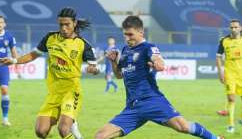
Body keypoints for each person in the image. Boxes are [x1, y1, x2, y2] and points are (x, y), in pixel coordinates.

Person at [95, 16, 224, 139]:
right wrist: (113, 62)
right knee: (101, 136)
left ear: (141, 32)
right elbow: (119, 76)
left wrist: (158, 63)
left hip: (152, 101)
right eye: (125, 34)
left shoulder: (148, 47)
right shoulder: (124, 50)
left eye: (131, 34)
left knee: (183, 127)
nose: (127, 38)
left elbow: (158, 59)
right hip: (132, 106)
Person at [0, 7, 99, 139]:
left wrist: (93, 69)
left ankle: (70, 122)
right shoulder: (50, 38)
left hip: (71, 91)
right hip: (54, 93)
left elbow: (94, 68)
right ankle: (71, 121)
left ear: (74, 23)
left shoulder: (83, 45)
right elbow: (33, 55)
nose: (63, 28)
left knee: (63, 129)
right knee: (40, 131)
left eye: (67, 24)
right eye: (61, 24)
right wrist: (15, 60)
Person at [216, 19, 242, 133]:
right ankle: (231, 125)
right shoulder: (224, 40)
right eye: (231, 27)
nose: (233, 29)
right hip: (230, 73)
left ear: (240, 28)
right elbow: (218, 56)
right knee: (231, 98)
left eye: (236, 27)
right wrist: (220, 71)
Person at [0, 15, 18, 126]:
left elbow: (14, 52)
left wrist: (16, 63)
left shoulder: (9, 37)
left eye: (1, 22)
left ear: (4, 24)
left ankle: (5, 119)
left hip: (3, 68)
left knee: (4, 90)